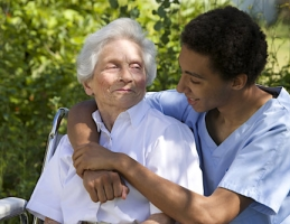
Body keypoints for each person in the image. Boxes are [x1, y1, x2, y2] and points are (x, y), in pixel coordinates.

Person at [69, 6, 290, 224]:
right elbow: (90, 106)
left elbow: (211, 216)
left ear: (236, 82)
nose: (180, 87)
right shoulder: (193, 102)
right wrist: (90, 159)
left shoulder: (279, 132)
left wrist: (119, 162)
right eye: (182, 73)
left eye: (194, 80)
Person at [26, 18, 203, 224]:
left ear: (146, 79)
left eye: (136, 67)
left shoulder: (167, 135)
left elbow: (166, 220)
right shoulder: (73, 141)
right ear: (88, 85)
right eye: (113, 67)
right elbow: (52, 217)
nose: (126, 76)